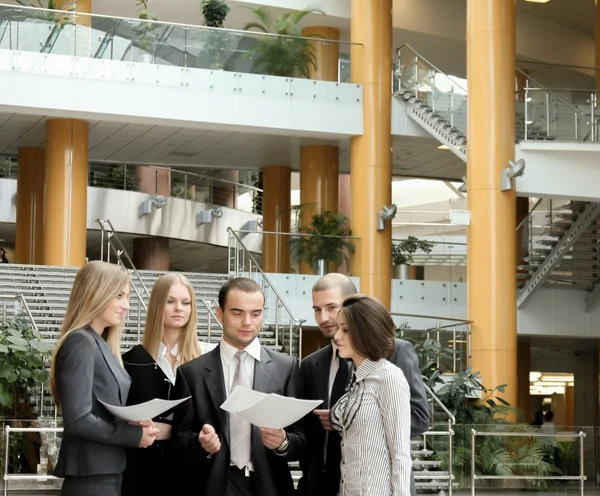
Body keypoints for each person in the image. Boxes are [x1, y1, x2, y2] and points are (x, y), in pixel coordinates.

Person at [171, 277, 306, 496]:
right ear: (220, 314)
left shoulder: (286, 367)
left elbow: (302, 437)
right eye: (237, 313)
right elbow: (179, 440)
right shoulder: (191, 373)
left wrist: (283, 442)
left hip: (269, 485)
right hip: (212, 484)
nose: (247, 322)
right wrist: (200, 444)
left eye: (255, 313)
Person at [298, 273, 429, 496]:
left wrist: (352, 421)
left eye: (331, 307)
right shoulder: (311, 364)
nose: (323, 318)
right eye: (317, 309)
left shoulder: (392, 363)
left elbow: (413, 426)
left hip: (380, 485)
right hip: (332, 485)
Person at [49, 261, 158, 496]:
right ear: (96, 292)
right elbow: (78, 419)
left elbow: (100, 410)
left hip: (105, 473)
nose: (126, 306)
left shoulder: (98, 344)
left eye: (127, 297)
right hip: (91, 477)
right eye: (119, 296)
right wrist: (133, 435)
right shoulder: (81, 342)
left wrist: (133, 422)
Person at [121, 273, 206, 495]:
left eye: (186, 302)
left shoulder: (206, 358)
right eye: (170, 301)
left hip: (192, 473)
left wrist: (174, 431)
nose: (179, 308)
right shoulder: (130, 359)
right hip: (141, 472)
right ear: (157, 305)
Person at [331, 294, 412, 496]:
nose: (337, 336)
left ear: (366, 331)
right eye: (338, 328)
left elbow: (400, 453)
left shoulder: (388, 376)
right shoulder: (357, 378)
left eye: (345, 330)